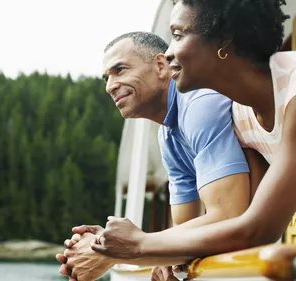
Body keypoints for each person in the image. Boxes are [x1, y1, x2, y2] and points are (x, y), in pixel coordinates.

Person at [61, 1, 296, 281]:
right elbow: (210, 226)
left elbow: (251, 228)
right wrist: (124, 247)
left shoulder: (284, 93)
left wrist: (128, 248)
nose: (168, 52)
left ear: (223, 40)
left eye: (178, 35)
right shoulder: (239, 115)